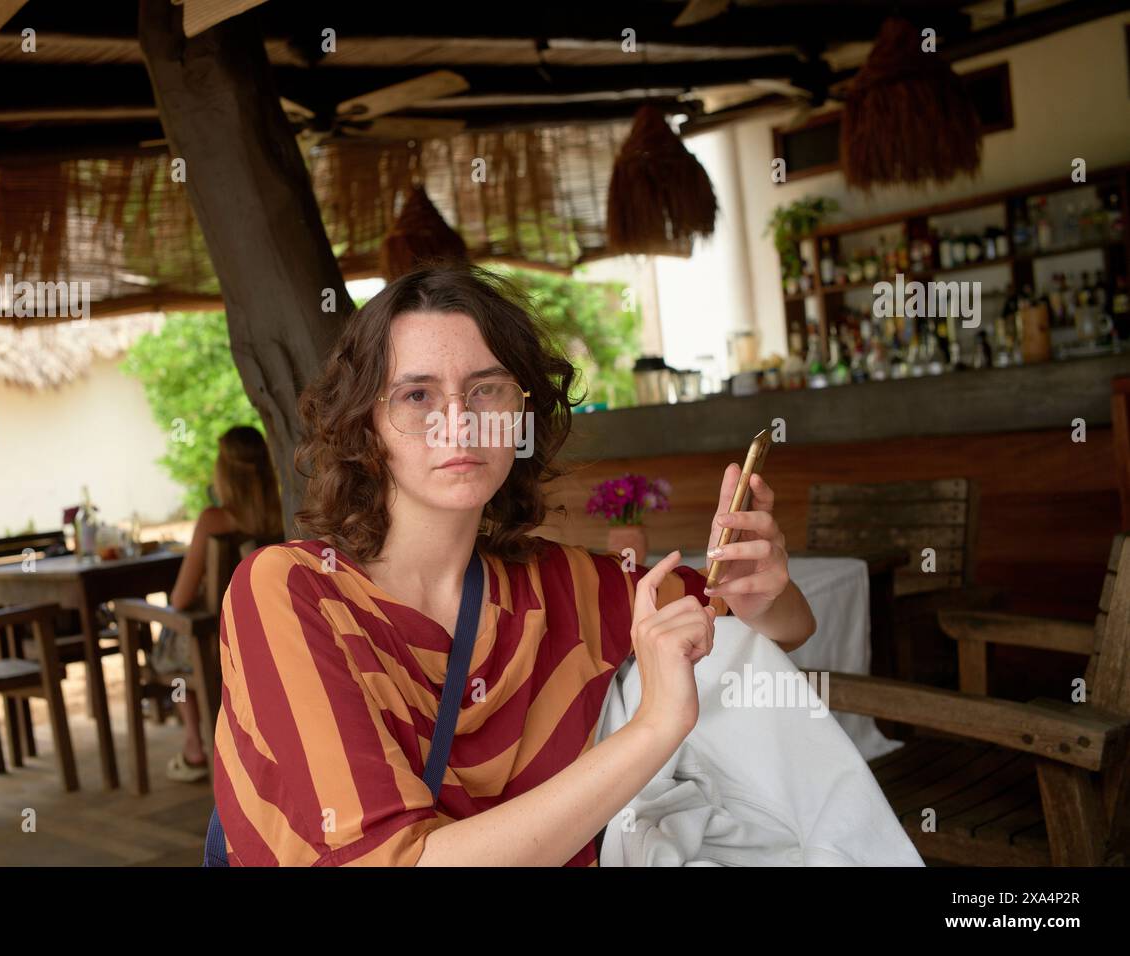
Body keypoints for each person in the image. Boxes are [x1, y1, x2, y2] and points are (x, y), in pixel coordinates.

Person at [213, 264, 816, 864]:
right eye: (417, 395)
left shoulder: (567, 586)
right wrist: (655, 727)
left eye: (486, 388)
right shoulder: (289, 591)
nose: (460, 420)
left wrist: (761, 594)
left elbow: (776, 625)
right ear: (367, 427)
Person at [154, 425, 284, 782]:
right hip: (273, 637)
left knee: (172, 634)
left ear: (224, 471)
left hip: (220, 643)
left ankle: (194, 746)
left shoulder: (214, 520)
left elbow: (179, 598)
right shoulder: (285, 514)